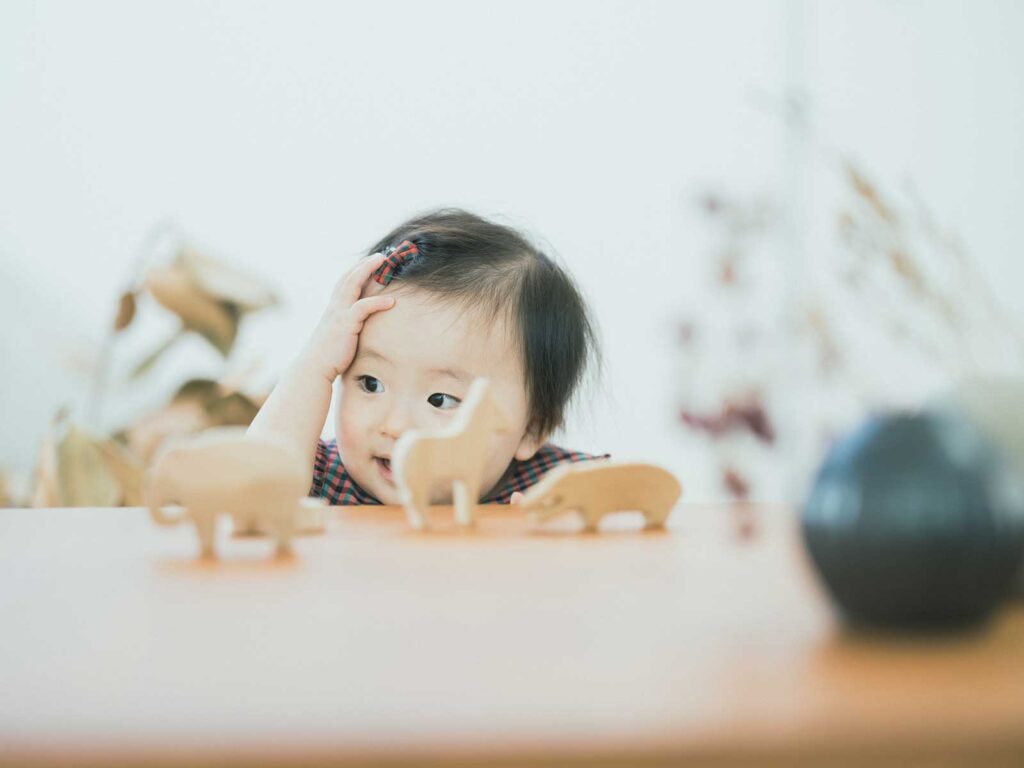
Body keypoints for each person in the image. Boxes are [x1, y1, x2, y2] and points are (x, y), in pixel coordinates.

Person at [248, 208, 608, 505]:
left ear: (532, 428)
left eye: (441, 399)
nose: (396, 426)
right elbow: (251, 491)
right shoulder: (316, 476)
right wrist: (314, 365)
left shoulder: (560, 490)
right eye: (370, 383)